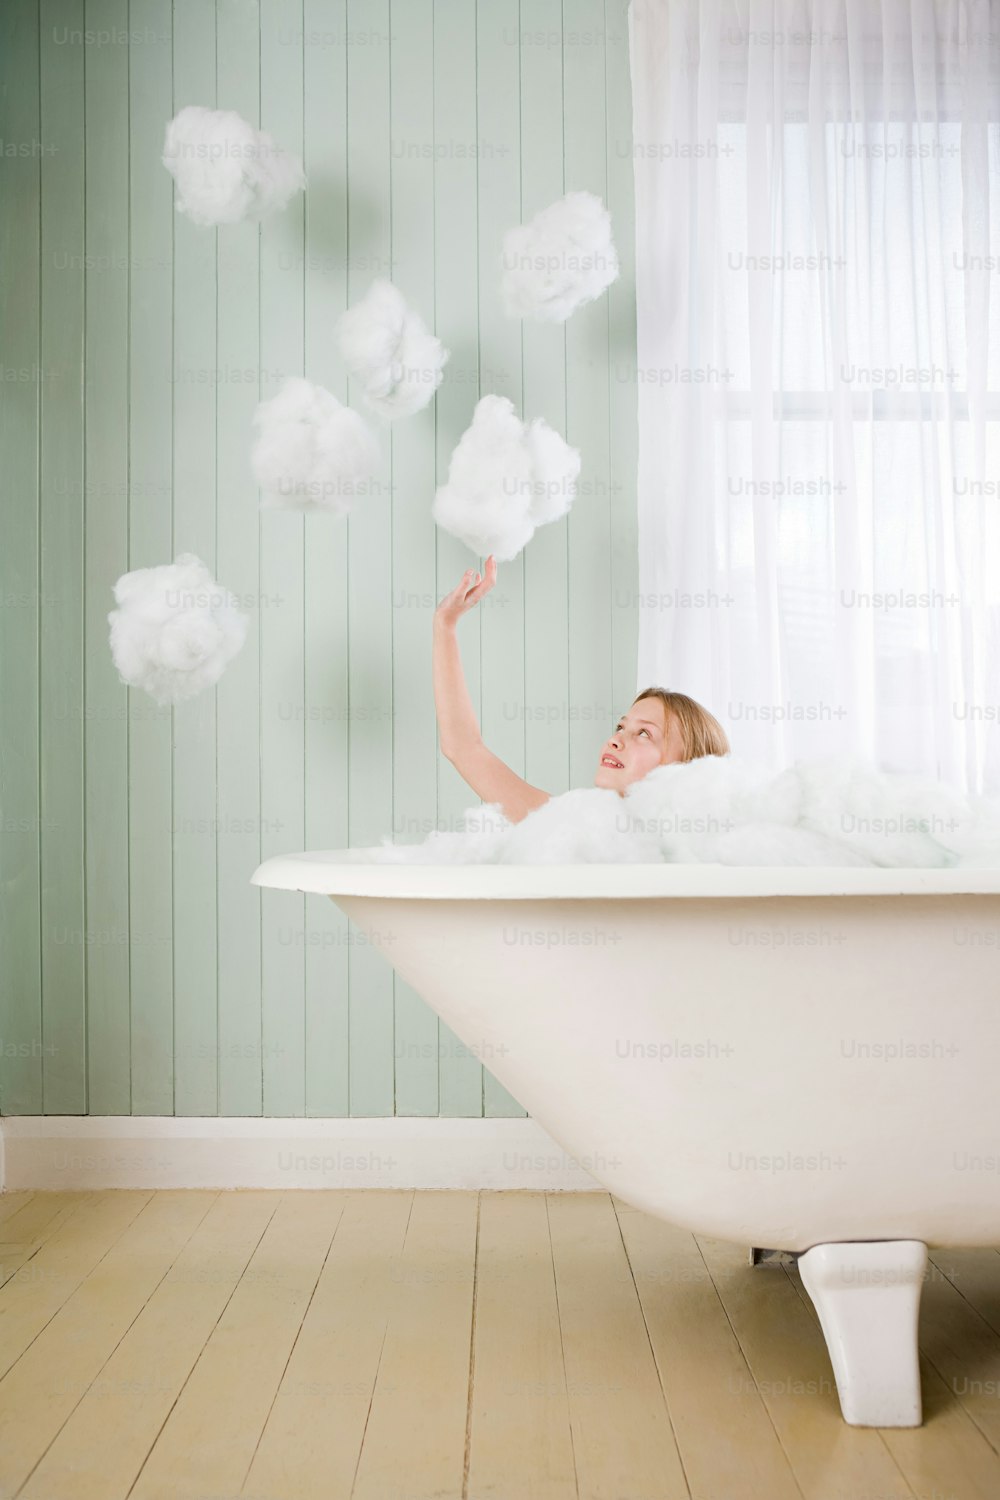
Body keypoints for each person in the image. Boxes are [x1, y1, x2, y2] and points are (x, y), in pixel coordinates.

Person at [433, 554, 730, 824]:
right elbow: (463, 747)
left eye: (644, 733)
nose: (615, 740)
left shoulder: (697, 851)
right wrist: (445, 624)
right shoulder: (572, 830)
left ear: (687, 769)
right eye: (620, 726)